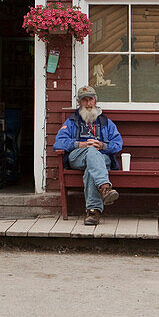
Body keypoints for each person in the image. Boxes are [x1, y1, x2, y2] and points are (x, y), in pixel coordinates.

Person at [53, 85, 123, 226]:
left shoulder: (106, 123)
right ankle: (104, 186)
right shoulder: (72, 122)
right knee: (91, 151)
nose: (88, 103)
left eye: (90, 99)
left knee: (91, 169)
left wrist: (102, 146)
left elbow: (118, 143)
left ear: (95, 100)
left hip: (101, 158)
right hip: (77, 157)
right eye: (84, 100)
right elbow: (59, 143)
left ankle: (93, 212)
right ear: (79, 102)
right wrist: (79, 144)